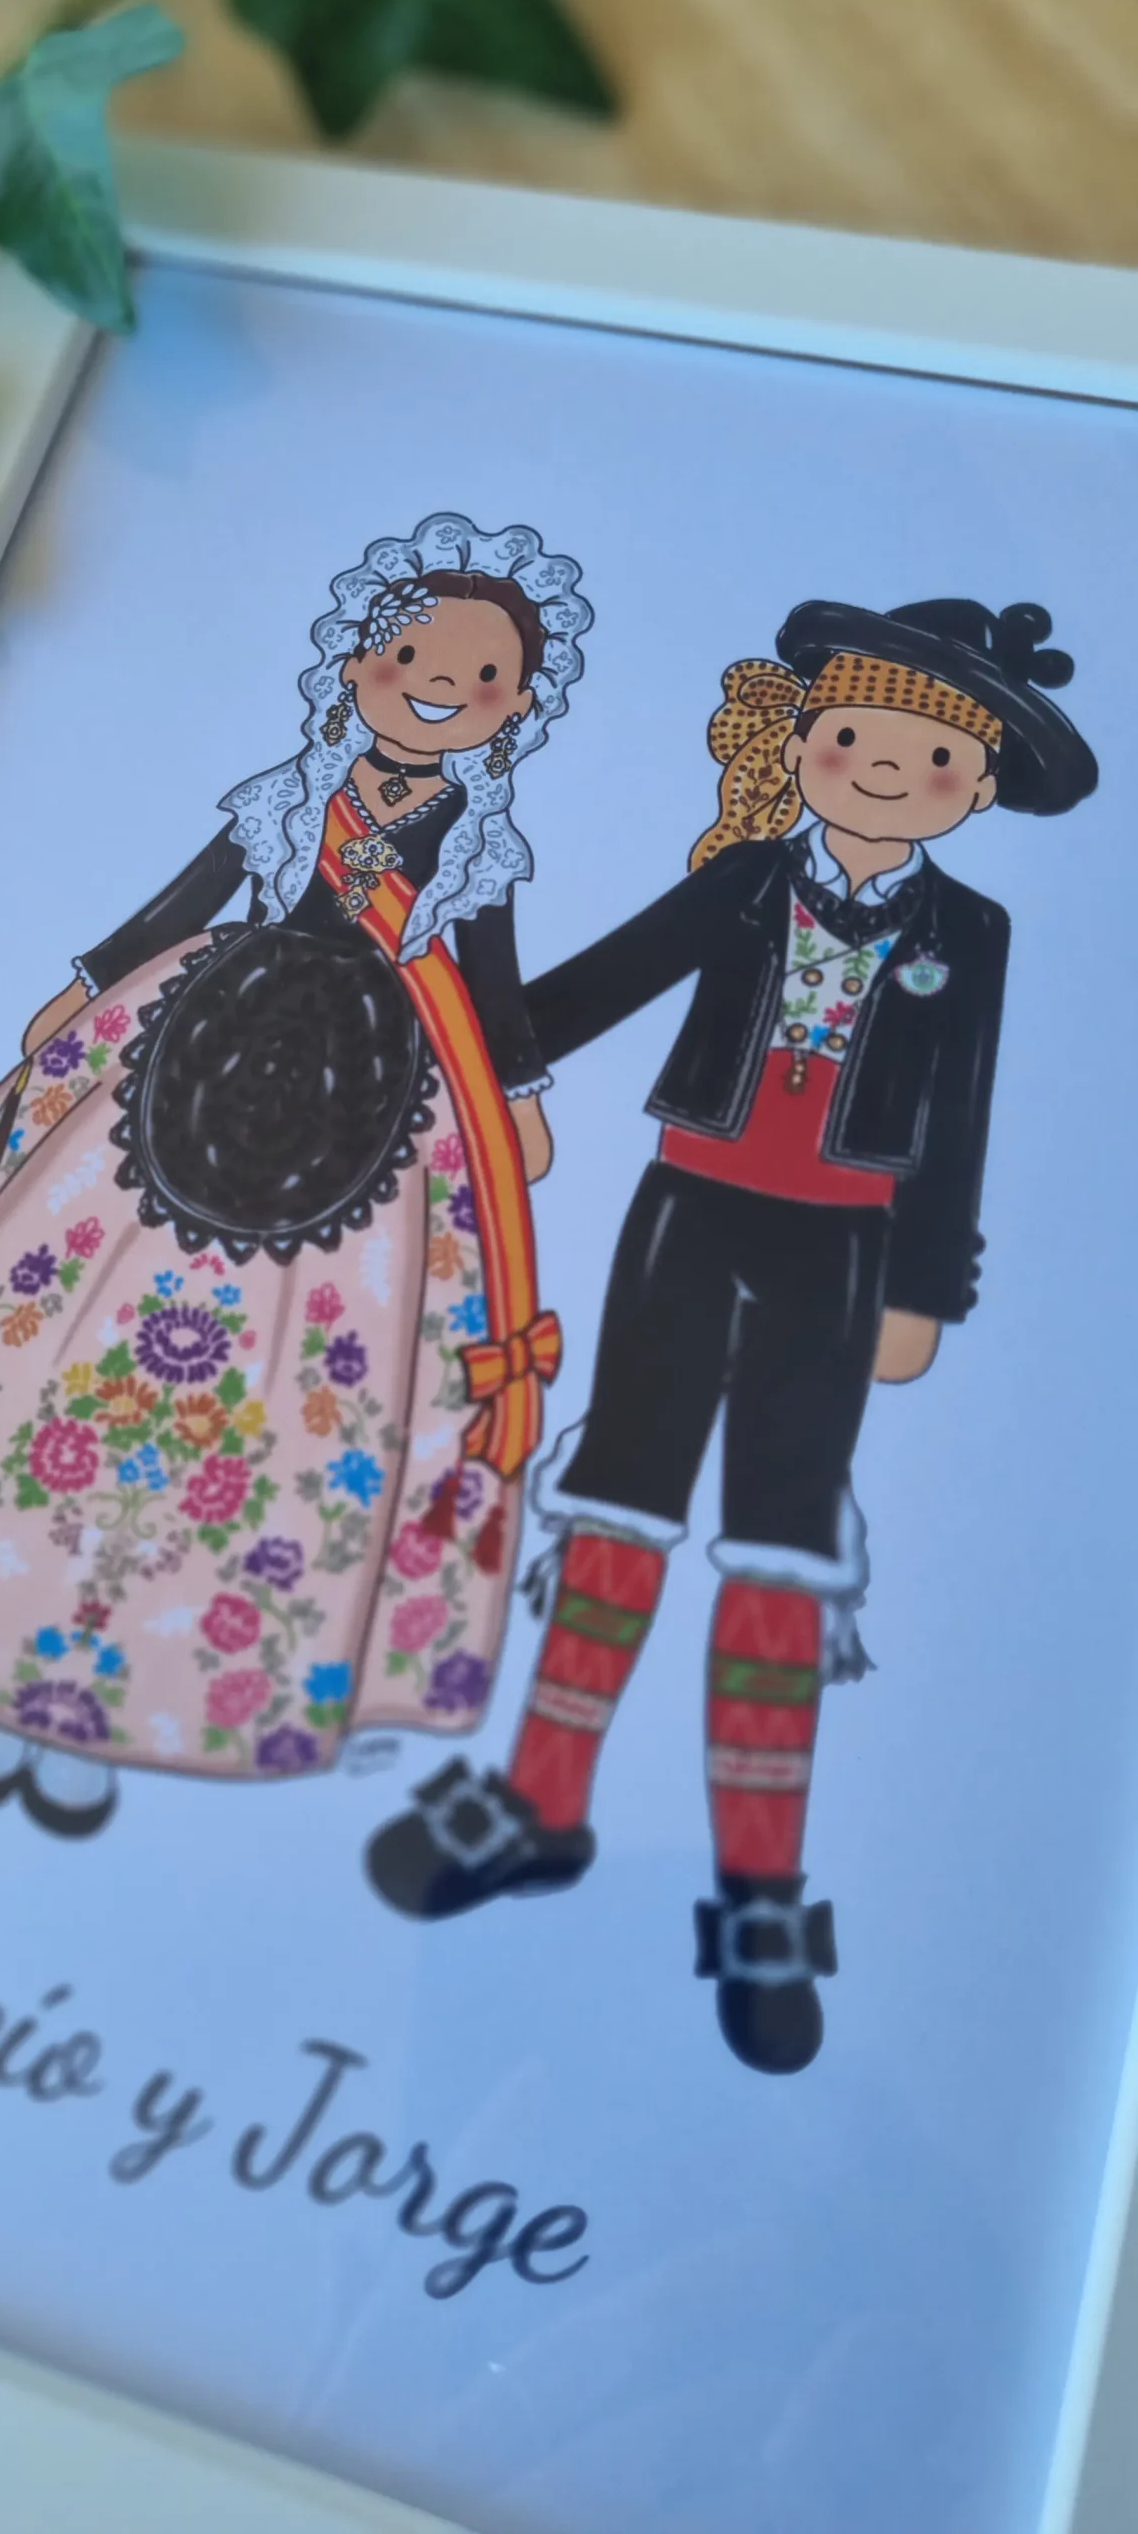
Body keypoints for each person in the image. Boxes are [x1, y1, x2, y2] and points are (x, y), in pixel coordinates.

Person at [0, 515, 590, 1839]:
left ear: (515, 706)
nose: (435, 687)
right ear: (357, 660)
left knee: (285, 1406)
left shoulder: (476, 846)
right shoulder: (295, 791)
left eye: (478, 676)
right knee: (52, 1340)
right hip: (191, 1051)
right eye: (411, 654)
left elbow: (494, 979)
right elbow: (189, 898)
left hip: (374, 1104)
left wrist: (515, 1095)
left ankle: (135, 1700)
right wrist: (88, 982)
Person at [364, 596, 1097, 2076]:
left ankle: (761, 1891)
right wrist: (452, 1037)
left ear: (977, 789)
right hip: (685, 1217)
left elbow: (958, 1118)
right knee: (619, 1497)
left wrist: (929, 1289)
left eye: (933, 758)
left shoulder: (971, 932)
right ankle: (543, 1801)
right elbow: (594, 989)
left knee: (782, 1540)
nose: (885, 770)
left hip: (844, 1251)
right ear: (808, 737)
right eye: (856, 735)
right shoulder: (750, 880)